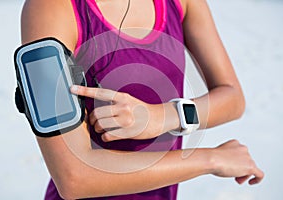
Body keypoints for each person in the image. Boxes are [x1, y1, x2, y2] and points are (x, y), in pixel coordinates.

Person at [20, 0, 264, 199]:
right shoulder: (50, 8)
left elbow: (232, 96)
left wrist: (163, 116)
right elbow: (73, 177)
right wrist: (211, 159)